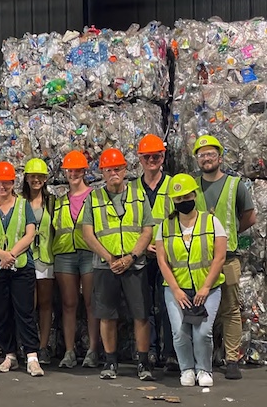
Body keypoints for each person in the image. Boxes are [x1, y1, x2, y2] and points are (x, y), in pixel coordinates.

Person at [82, 148, 156, 381]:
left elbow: (147, 229)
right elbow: (87, 233)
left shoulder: (138, 195)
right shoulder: (94, 198)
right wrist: (109, 257)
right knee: (107, 316)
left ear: (125, 170)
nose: (113, 173)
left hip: (135, 265)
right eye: (108, 169)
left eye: (117, 168)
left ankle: (143, 364)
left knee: (141, 315)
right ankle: (110, 362)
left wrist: (131, 257)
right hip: (106, 266)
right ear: (102, 172)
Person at [193, 135, 256, 380]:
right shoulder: (192, 185)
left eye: (211, 154)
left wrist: (225, 235)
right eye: (202, 155)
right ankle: (203, 358)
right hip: (199, 259)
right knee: (201, 309)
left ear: (220, 157)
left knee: (230, 309)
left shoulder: (234, 185)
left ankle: (232, 359)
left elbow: (249, 216)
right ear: (197, 159)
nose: (206, 158)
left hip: (228, 258)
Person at [156, 174, 226, 388]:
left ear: (194, 195)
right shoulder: (165, 226)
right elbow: (162, 260)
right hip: (177, 288)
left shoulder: (212, 221)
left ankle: (203, 369)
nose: (183, 202)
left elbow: (219, 257)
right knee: (179, 332)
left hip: (207, 288)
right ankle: (186, 369)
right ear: (173, 202)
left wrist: (205, 286)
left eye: (186, 196)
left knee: (203, 332)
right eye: (178, 199)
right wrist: (176, 290)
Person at [0, 162, 44, 377]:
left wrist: (11, 255)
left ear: (12, 183)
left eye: (6, 183)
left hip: (20, 267)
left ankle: (32, 357)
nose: (2, 186)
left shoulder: (23, 205)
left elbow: (29, 233)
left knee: (24, 311)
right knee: (0, 313)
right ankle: (9, 354)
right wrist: (1, 256)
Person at [132, 134, 176, 371]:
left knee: (169, 304)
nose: (152, 160)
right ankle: (148, 350)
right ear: (140, 159)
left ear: (163, 157)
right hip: (140, 255)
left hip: (167, 256)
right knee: (143, 306)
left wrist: (162, 246)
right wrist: (141, 246)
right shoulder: (132, 189)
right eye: (147, 157)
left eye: (156, 156)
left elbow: (183, 220)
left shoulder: (172, 186)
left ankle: (170, 353)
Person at [52, 151, 99, 369]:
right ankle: (69, 352)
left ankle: (92, 351)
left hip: (89, 253)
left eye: (77, 170)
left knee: (91, 303)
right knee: (69, 304)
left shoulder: (95, 198)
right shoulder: (59, 202)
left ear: (84, 171)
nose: (73, 174)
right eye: (70, 170)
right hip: (64, 255)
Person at [21, 158, 54, 366]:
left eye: (40, 176)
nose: (36, 180)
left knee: (45, 304)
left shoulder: (51, 201)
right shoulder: (18, 201)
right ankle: (27, 345)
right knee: (27, 305)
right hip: (25, 258)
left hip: (46, 258)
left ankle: (43, 347)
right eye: (32, 176)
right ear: (26, 178)